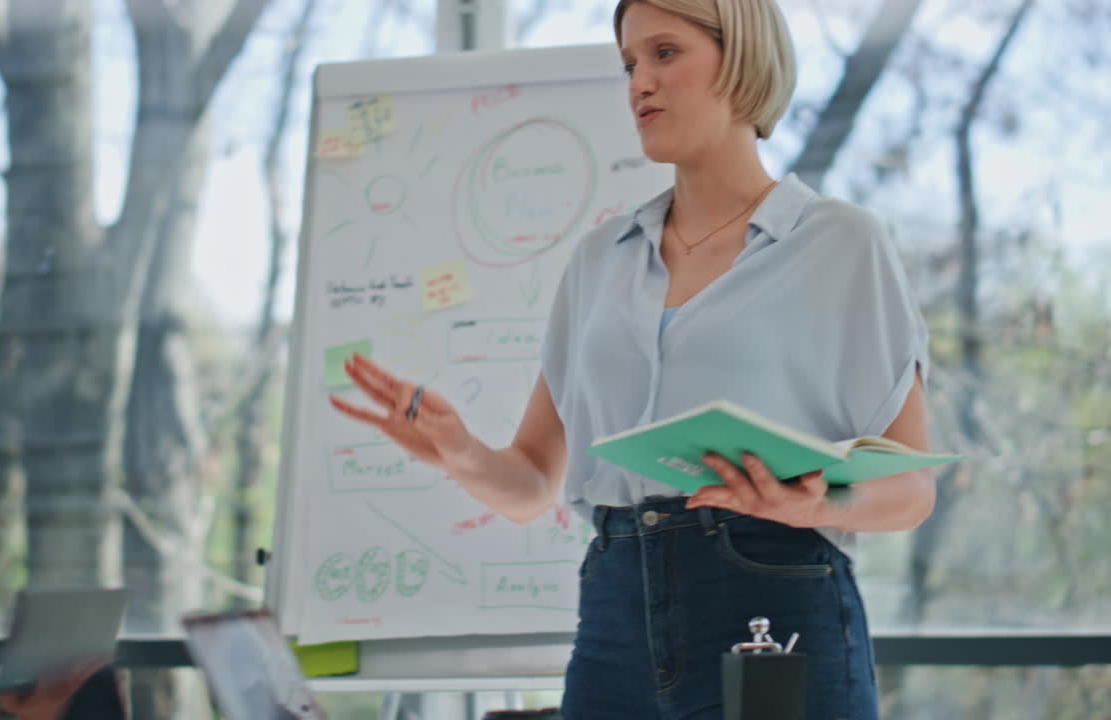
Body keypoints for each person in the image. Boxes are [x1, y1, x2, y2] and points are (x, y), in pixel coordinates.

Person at [330, 0, 934, 717]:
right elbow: (530, 482)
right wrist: (459, 451)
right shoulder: (598, 261)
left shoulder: (838, 244)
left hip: (773, 598)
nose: (638, 82)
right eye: (629, 63)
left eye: (665, 53)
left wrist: (819, 500)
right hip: (615, 611)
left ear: (739, 57)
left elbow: (912, 491)